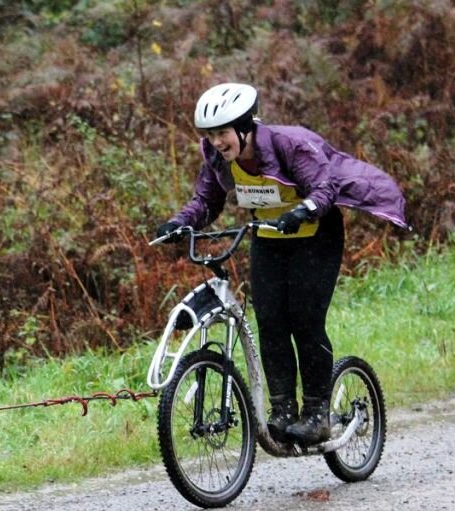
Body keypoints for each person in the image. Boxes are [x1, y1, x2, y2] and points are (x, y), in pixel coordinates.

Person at [155, 82, 408, 445]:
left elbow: (324, 189)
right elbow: (207, 202)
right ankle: (283, 412)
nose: (217, 142)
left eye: (223, 133)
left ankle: (318, 414)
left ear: (245, 127)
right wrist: (180, 223)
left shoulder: (291, 144)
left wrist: (301, 211)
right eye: (210, 135)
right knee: (271, 324)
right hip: (269, 240)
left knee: (305, 322)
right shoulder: (218, 159)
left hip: (315, 238)